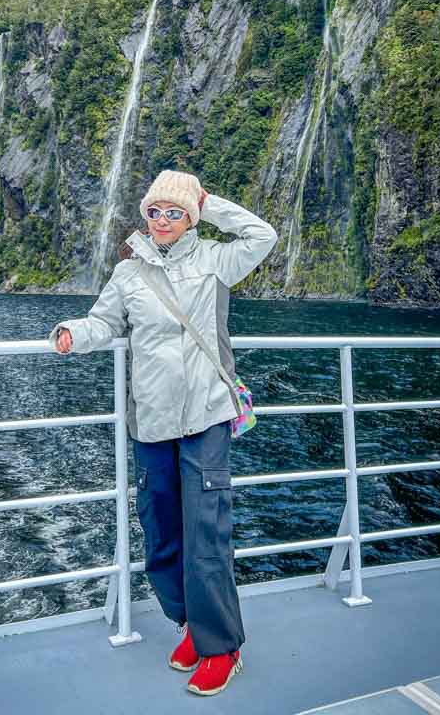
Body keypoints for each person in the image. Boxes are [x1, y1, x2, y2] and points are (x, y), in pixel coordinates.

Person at [48, 169, 278, 697]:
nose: (163, 220)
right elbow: (103, 322)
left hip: (205, 416)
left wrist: (208, 201)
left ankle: (222, 647)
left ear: (191, 216)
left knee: (207, 532)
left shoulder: (217, 262)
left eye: (175, 212)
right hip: (150, 421)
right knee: (161, 530)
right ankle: (189, 624)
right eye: (155, 211)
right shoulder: (129, 273)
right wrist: (71, 334)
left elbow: (262, 236)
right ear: (145, 216)